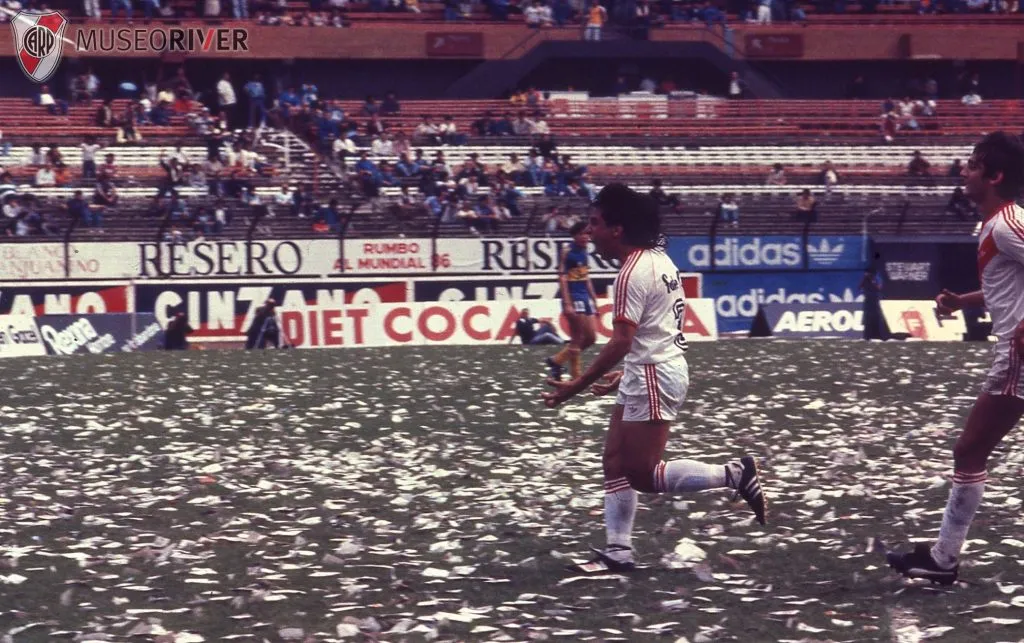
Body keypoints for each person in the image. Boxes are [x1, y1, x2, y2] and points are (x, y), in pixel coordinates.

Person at [542, 184, 766, 572]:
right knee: (614, 462)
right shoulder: (658, 258)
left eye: (595, 224)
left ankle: (734, 474)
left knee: (643, 474)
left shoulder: (631, 272)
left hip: (654, 374)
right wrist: (624, 374)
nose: (589, 231)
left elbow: (623, 340)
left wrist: (574, 387)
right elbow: (653, 330)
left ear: (617, 229)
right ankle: (618, 550)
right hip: (650, 370)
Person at [886, 131, 1024, 585]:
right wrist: (965, 300)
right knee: (971, 449)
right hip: (1013, 348)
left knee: (970, 449)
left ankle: (944, 560)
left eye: (972, 164)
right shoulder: (995, 226)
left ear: (995, 175)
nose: (963, 170)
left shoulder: (1007, 223)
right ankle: (943, 557)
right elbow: (1007, 288)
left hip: (1018, 354)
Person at [546, 221, 599, 381]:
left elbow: (585, 276)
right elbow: (562, 278)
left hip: (584, 295)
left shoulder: (584, 251)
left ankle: (557, 361)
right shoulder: (567, 251)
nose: (586, 237)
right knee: (577, 338)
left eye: (588, 234)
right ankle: (576, 377)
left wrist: (594, 298)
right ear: (575, 235)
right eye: (583, 234)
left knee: (591, 338)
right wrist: (567, 302)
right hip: (573, 295)